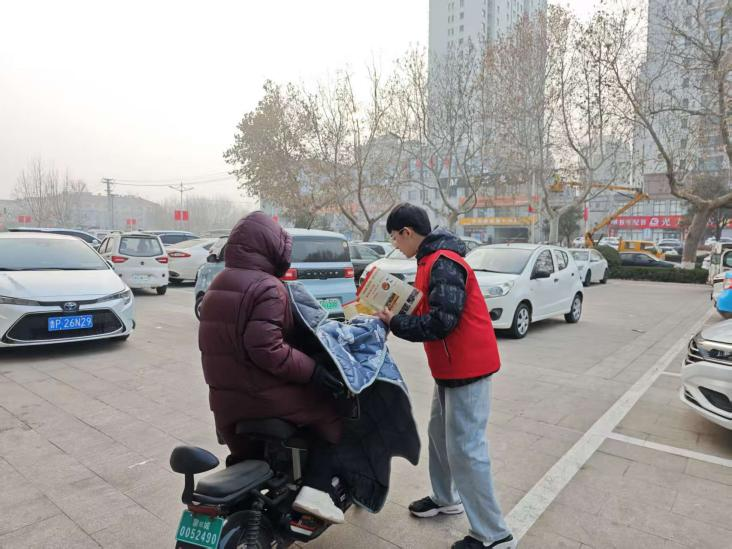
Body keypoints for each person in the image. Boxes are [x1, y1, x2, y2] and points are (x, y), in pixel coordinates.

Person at [375, 204, 515, 549]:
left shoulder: (443, 263)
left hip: (469, 369)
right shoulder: (427, 261)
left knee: (467, 449)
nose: (395, 246)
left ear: (407, 232)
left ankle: (494, 535)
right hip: (449, 368)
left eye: (394, 239)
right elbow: (429, 308)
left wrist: (397, 323)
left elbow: (442, 322)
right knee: (439, 435)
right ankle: (446, 497)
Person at [198, 211, 346, 524]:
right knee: (332, 411)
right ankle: (317, 490)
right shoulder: (268, 287)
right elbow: (267, 349)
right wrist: (314, 371)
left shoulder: (218, 283)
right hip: (262, 397)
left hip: (224, 402)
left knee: (245, 455)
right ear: (270, 247)